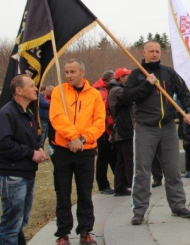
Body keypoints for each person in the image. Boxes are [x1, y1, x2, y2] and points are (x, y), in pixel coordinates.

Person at [123, 41, 190, 225]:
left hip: (168, 126)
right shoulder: (136, 74)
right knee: (142, 170)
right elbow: (126, 98)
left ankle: (178, 205)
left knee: (172, 169)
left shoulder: (168, 72)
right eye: (151, 51)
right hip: (145, 127)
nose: (155, 54)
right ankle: (139, 210)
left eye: (157, 51)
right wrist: (147, 84)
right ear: (143, 52)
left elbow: (184, 92)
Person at [49, 59, 105, 245]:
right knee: (63, 193)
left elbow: (99, 122)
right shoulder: (59, 91)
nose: (69, 75)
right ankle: (63, 234)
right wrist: (72, 137)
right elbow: (57, 117)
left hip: (86, 151)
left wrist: (81, 139)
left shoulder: (95, 95)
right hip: (63, 149)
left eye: (73, 71)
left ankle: (86, 231)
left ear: (82, 72)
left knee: (85, 193)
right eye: (66, 72)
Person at [0, 75, 46, 244]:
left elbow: (27, 137)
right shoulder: (7, 113)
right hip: (12, 175)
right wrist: (31, 153)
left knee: (19, 222)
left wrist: (38, 147)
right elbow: (3, 144)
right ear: (19, 90)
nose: (36, 89)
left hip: (26, 173)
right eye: (32, 86)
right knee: (11, 225)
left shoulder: (27, 112)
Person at [107, 67, 134, 197]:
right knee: (128, 159)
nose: (129, 78)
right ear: (121, 78)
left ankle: (119, 187)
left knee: (122, 160)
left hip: (121, 128)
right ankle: (134, 185)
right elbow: (131, 97)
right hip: (123, 128)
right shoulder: (117, 90)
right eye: (127, 76)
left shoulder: (115, 89)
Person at [92, 70, 117, 195]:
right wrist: (110, 128)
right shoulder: (101, 93)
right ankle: (103, 184)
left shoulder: (102, 90)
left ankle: (118, 181)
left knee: (111, 155)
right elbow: (104, 113)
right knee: (104, 156)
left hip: (105, 128)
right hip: (103, 129)